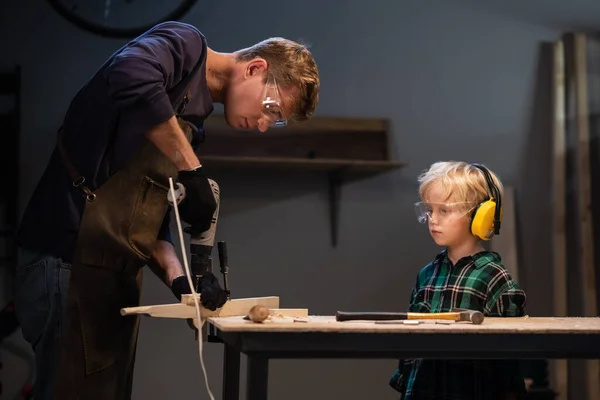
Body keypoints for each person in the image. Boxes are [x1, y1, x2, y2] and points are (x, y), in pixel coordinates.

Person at [13, 21, 319, 399]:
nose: (261, 126)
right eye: (270, 108)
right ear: (255, 68)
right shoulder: (185, 45)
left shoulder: (191, 121)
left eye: (275, 121)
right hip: (67, 261)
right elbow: (129, 74)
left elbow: (144, 215)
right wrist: (192, 170)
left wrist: (183, 282)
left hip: (111, 274)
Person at [388, 161, 527, 400]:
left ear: (481, 216)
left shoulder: (494, 277)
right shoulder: (427, 274)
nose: (433, 219)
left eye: (444, 210)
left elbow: (508, 357)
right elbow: (409, 345)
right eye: (429, 210)